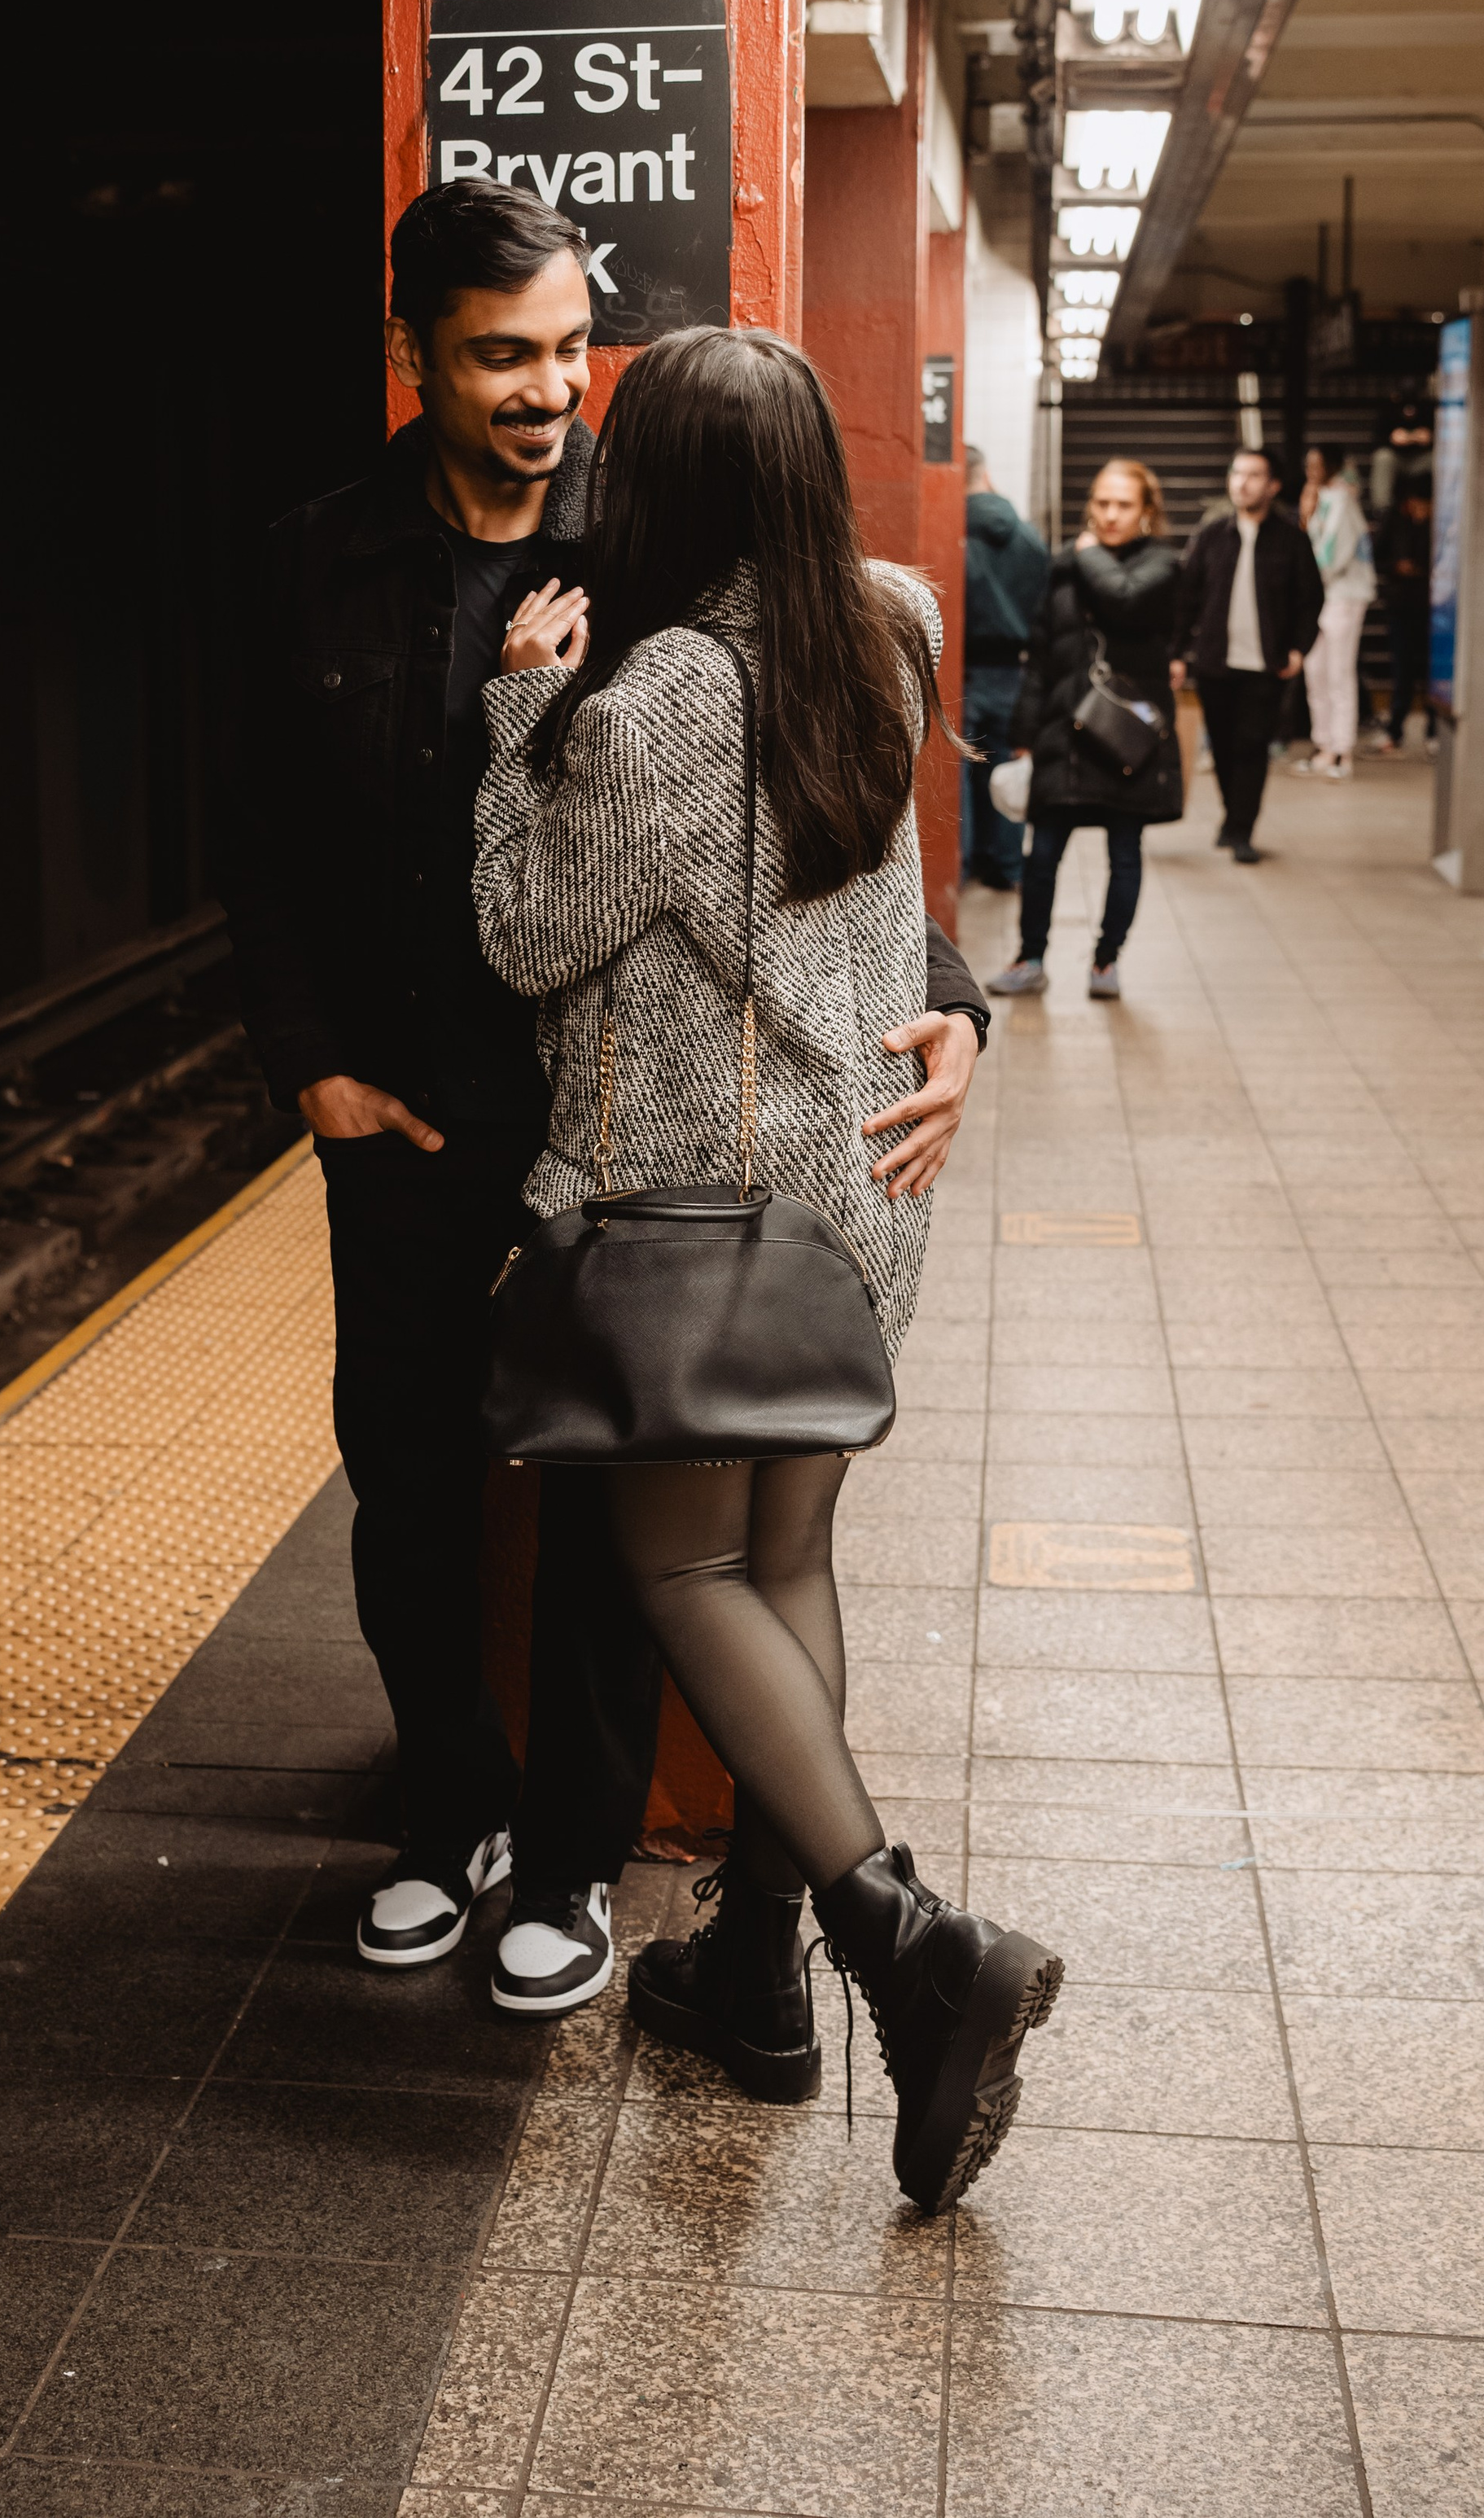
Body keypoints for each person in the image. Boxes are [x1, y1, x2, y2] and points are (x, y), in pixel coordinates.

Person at [219, 179, 991, 2022]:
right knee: (441, 1495)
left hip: (632, 1169)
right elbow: (255, 834)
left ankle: (690, 1887)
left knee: (630, 1544)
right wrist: (304, 1057)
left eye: (573, 350)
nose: (550, 387)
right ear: (413, 353)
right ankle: (577, 1880)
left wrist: (956, 1007)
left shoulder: (649, 618)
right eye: (504, 352)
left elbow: (707, 874)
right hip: (485, 1144)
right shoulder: (316, 562)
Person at [471, 324, 1059, 2217]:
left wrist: (513, 715)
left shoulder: (649, 699)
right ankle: (754, 1975)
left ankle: (904, 1942)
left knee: (677, 1566)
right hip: (852, 1196)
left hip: (695, 1212)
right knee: (784, 1556)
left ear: (654, 489)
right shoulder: (885, 621)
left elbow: (527, 932)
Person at [984, 457, 1182, 1002]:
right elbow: (1041, 654)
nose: (1110, 514)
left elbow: (1124, 597)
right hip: (1064, 731)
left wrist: (1087, 552)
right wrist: (1023, 732)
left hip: (1126, 737)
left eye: (1123, 505)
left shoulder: (1161, 565)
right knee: (1042, 852)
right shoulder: (1065, 568)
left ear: (1147, 512)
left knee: (1124, 850)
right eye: (1101, 503)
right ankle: (1030, 958)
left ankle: (1105, 961)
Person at [1168, 446, 1324, 860]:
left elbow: (1311, 598)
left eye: (1254, 475)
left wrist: (1299, 649)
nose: (1242, 482)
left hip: (1266, 664)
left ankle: (1242, 831)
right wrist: (1179, 652)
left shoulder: (1291, 540)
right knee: (1221, 745)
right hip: (1216, 661)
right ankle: (1231, 816)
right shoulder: (1212, 536)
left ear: (1272, 486)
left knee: (1252, 745)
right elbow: (1187, 599)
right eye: (1237, 473)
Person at [961, 445, 1050, 893]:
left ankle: (960, 869)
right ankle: (1009, 866)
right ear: (985, 473)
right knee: (1005, 769)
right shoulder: (1030, 537)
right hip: (1014, 672)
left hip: (959, 671)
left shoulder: (949, 533)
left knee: (956, 776)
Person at [1294, 445, 1377, 779]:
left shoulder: (1343, 500)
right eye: (1308, 463)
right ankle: (1324, 746)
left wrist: (1307, 581)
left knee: (1339, 673)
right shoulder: (1320, 498)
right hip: (1319, 596)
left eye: (1318, 463)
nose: (1311, 470)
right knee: (1316, 672)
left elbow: (1332, 555)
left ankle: (1343, 751)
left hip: (1343, 595)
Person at [1371, 445, 1435, 751]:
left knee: (1432, 670)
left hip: (1433, 606)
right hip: (1400, 604)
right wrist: (1396, 567)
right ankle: (1396, 729)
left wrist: (1422, 568)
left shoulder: (1441, 525)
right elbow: (1376, 557)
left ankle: (1435, 730)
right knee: (1402, 669)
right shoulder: (1394, 522)